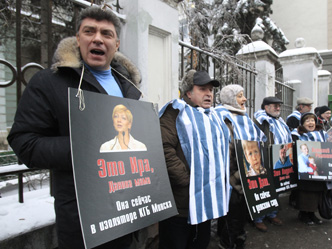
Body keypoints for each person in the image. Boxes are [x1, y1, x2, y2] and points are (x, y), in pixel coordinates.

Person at [7, 6, 142, 249]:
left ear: (117, 44)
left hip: (126, 211)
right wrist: (83, 148)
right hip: (81, 219)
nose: (97, 38)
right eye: (89, 31)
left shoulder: (128, 84)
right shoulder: (50, 82)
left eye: (106, 33)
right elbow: (24, 142)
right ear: (78, 39)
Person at [158, 70, 230, 249]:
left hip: (204, 202)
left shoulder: (214, 117)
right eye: (202, 89)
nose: (209, 94)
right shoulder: (174, 113)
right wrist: (187, 179)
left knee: (200, 243)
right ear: (189, 93)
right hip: (180, 204)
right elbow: (163, 148)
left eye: (211, 90)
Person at [215, 84, 266, 249]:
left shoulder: (245, 119)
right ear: (230, 99)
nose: (244, 99)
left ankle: (234, 239)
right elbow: (224, 152)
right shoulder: (223, 118)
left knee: (238, 215)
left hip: (247, 174)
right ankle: (228, 243)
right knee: (234, 215)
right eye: (240, 96)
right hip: (233, 178)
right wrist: (235, 177)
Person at [253, 96, 291, 231]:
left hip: (278, 160)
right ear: (266, 107)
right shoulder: (260, 120)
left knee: (275, 189)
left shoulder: (280, 121)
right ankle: (258, 218)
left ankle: (272, 213)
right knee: (262, 190)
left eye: (279, 105)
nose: (278, 108)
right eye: (274, 105)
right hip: (264, 160)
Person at [292, 113, 328, 225]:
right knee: (305, 193)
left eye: (312, 120)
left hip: (318, 167)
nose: (310, 123)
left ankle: (312, 213)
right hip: (303, 169)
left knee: (317, 192)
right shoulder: (296, 135)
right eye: (307, 120)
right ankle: (303, 214)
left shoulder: (322, 134)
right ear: (302, 124)